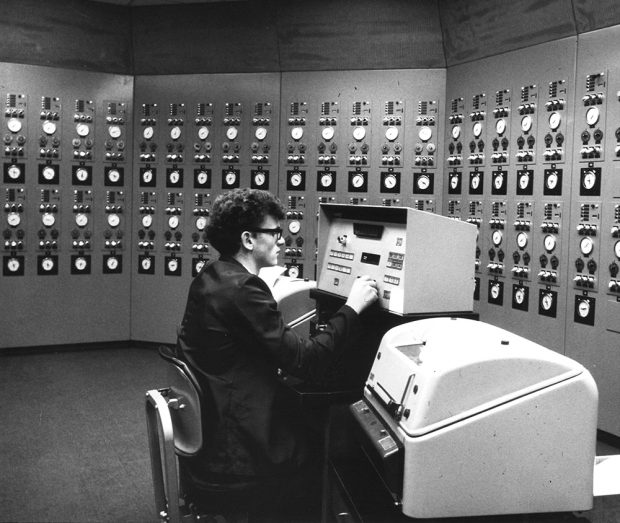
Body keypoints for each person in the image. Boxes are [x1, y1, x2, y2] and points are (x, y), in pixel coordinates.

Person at [175, 188, 378, 521]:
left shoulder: (212, 276)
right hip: (239, 454)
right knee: (323, 438)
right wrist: (353, 306)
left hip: (211, 436)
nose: (283, 240)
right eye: (274, 232)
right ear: (248, 239)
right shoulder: (244, 289)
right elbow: (307, 361)